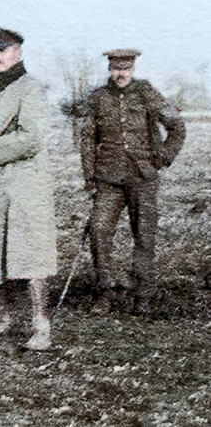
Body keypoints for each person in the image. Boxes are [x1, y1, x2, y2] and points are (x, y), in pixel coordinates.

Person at [81, 49, 186, 317]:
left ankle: (143, 296)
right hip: (108, 178)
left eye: (125, 69)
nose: (120, 74)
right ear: (109, 69)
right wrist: (90, 174)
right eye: (116, 69)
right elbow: (88, 138)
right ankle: (107, 292)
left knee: (144, 238)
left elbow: (177, 127)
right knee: (100, 232)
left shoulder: (147, 93)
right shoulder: (98, 98)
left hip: (143, 177)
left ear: (133, 68)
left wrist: (162, 158)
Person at [0, 28, 57, 350]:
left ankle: (41, 327)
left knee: (32, 254)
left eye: (3, 50)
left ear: (18, 52)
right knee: (1, 247)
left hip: (27, 184)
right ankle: (6, 316)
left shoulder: (31, 88)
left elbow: (33, 138)